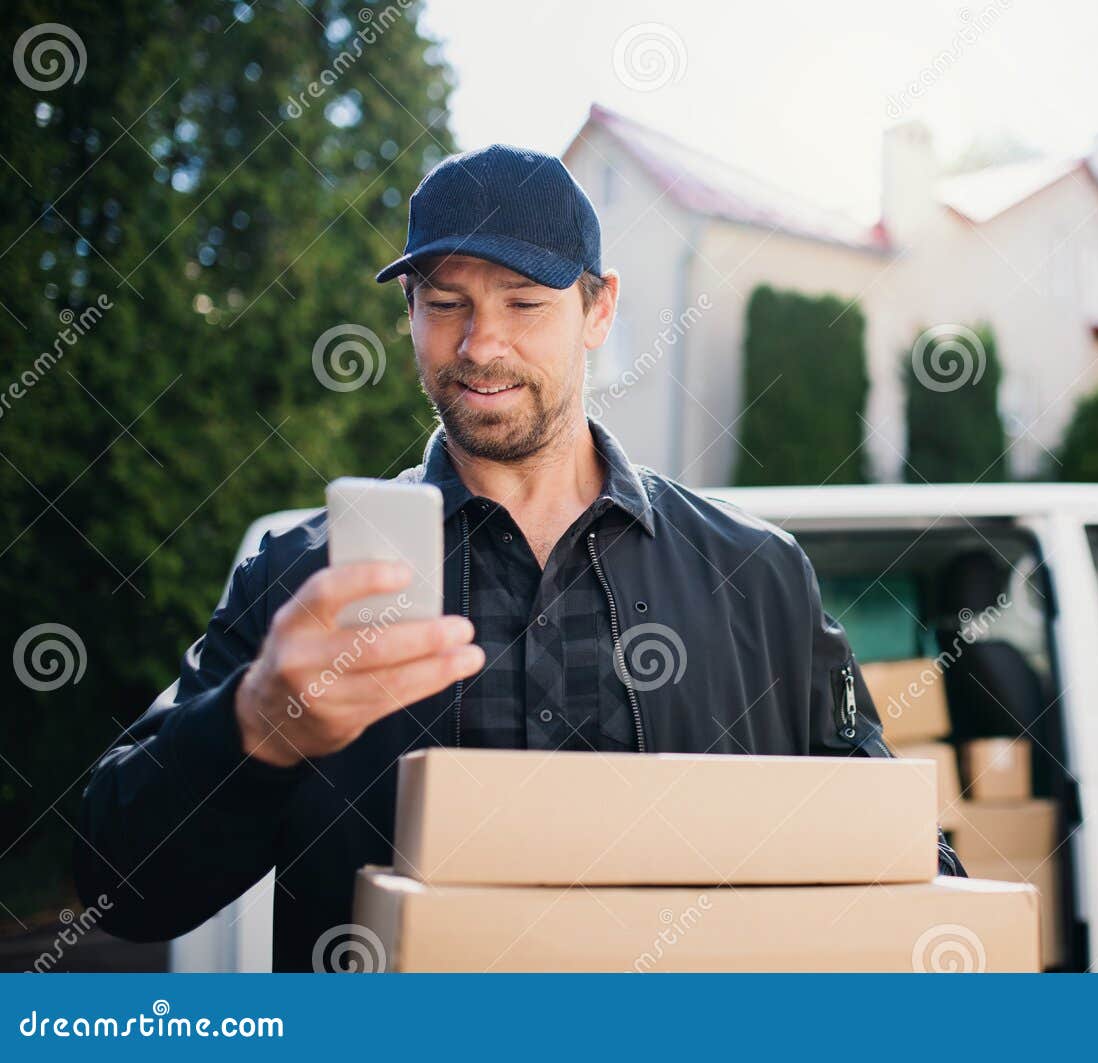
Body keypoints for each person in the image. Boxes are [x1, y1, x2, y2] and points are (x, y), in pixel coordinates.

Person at [75, 144, 964, 971]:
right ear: (410, 315)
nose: (480, 345)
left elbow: (891, 847)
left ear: (599, 308)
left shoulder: (756, 575)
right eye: (447, 302)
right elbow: (120, 886)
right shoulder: (301, 581)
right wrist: (255, 727)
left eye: (523, 302)